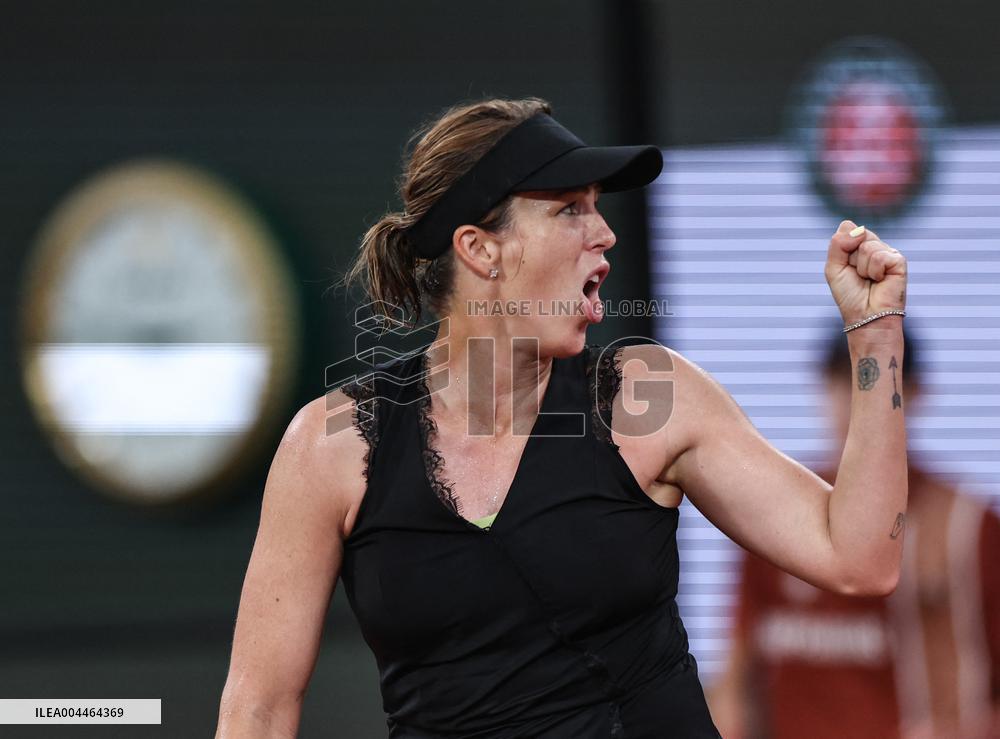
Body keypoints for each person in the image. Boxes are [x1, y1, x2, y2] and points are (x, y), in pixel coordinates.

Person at [215, 96, 910, 738]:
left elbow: (859, 557)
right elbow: (260, 706)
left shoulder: (649, 397)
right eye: (569, 209)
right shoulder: (332, 444)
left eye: (597, 207)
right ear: (479, 248)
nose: (604, 234)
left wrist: (875, 334)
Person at [708, 326, 1000, 739]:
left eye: (873, 385)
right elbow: (738, 675)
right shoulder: (775, 510)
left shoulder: (969, 529)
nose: (854, 403)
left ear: (915, 393)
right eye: (841, 382)